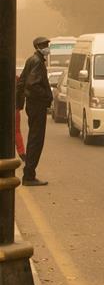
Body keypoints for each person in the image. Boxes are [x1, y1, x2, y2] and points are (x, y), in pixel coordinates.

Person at [15, 37, 53, 186]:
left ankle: (29, 173)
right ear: (38, 47)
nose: (47, 48)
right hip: (37, 105)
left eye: (48, 45)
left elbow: (22, 83)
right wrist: (45, 97)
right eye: (44, 45)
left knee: (33, 138)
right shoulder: (37, 62)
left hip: (32, 105)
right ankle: (29, 175)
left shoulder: (31, 60)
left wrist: (20, 103)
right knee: (36, 140)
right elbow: (32, 84)